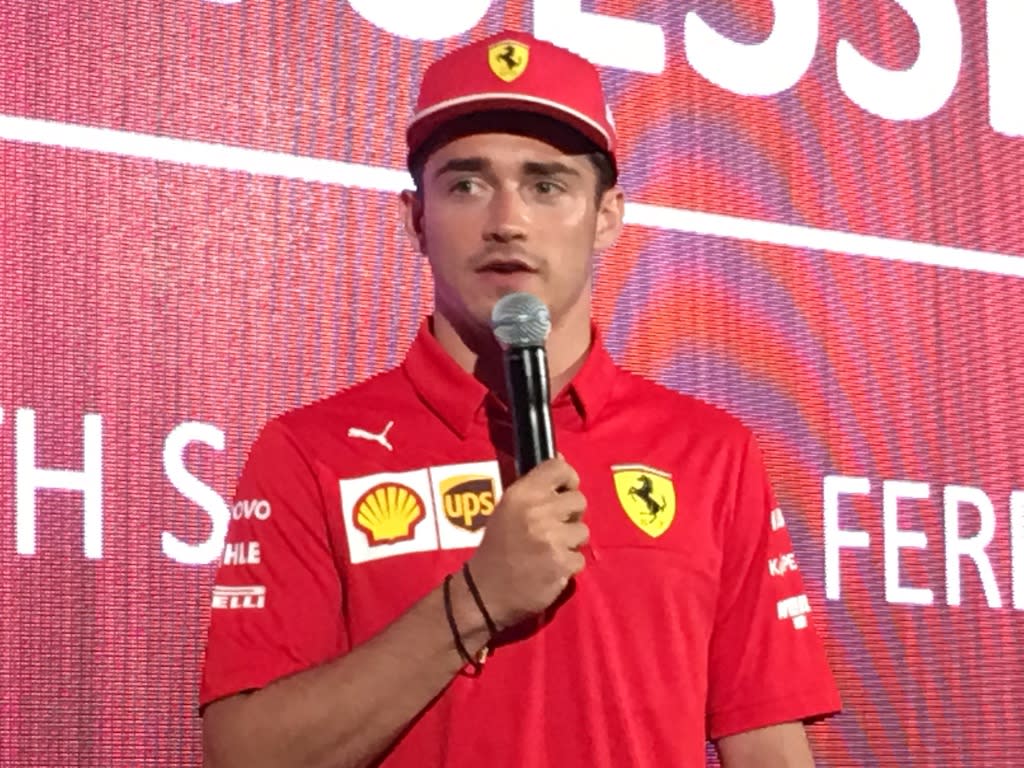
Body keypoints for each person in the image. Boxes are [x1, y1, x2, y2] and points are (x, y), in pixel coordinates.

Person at [200, 30, 841, 768]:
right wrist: (476, 599)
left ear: (607, 217)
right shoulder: (310, 452)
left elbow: (766, 743)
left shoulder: (710, 452)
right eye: (466, 184)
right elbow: (244, 757)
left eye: (547, 184)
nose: (507, 219)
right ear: (416, 218)